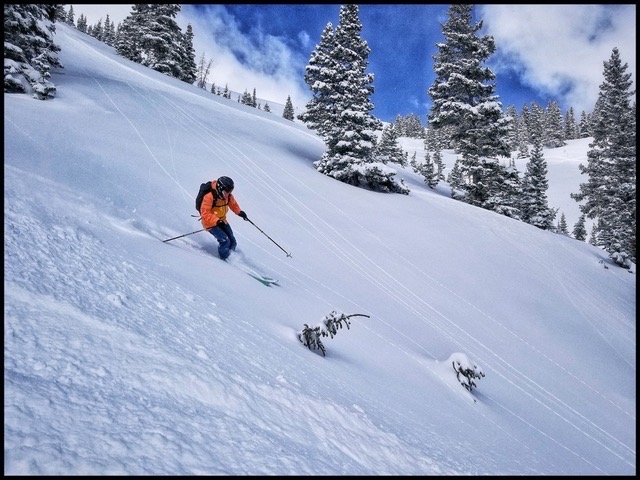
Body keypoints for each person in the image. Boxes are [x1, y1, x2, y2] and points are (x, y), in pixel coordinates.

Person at [199, 176, 248, 260]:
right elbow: (205, 213)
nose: (228, 193)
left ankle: (231, 256)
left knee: (232, 241)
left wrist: (239, 212)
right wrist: (216, 220)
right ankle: (224, 259)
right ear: (220, 187)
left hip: (222, 220)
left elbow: (233, 205)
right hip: (210, 223)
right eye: (227, 190)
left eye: (230, 191)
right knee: (225, 241)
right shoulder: (209, 197)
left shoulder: (227, 196)